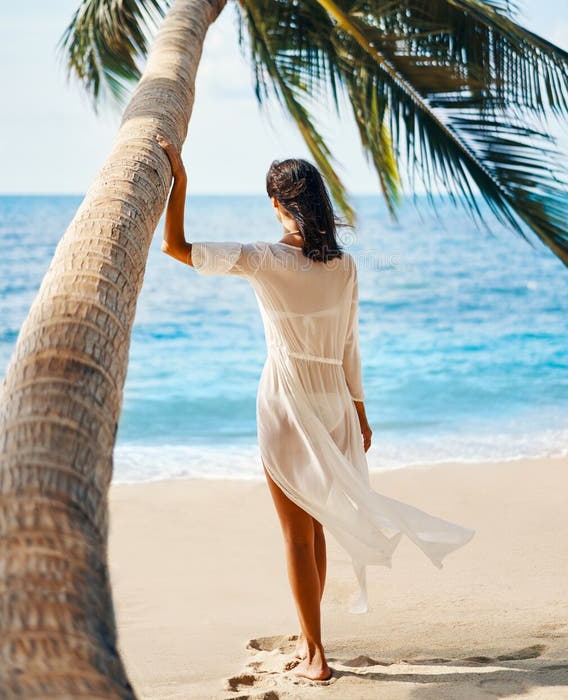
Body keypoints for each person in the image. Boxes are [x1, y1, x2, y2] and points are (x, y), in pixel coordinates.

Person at [155, 134, 476, 684]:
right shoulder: (345, 266)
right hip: (332, 400)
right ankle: (311, 641)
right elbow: (351, 344)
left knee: (296, 535)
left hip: (285, 398)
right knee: (318, 526)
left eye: (272, 202)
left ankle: (316, 657)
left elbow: (175, 248)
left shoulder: (263, 258)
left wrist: (180, 182)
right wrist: (360, 410)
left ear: (280, 205)